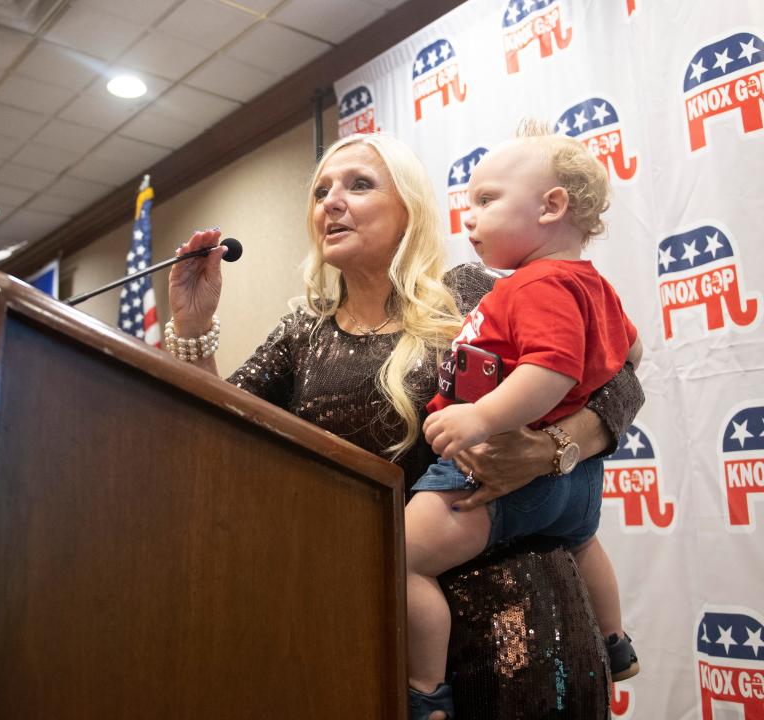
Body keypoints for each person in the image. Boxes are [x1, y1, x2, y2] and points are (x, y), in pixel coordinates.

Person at [165, 132, 644, 716]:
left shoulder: (475, 291)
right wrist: (193, 327)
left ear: (409, 210)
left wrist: (553, 449)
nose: (331, 203)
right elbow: (217, 432)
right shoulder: (301, 335)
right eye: (321, 192)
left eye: (359, 185)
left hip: (521, 621)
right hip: (375, 630)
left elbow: (618, 376)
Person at [406, 124, 641, 720]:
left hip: (505, 477)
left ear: (551, 206)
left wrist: (481, 416)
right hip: (578, 491)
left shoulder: (533, 283)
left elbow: (553, 370)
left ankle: (425, 690)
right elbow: (631, 356)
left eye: (486, 200)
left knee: (399, 557)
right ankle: (615, 641)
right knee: (583, 541)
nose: (470, 220)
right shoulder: (595, 287)